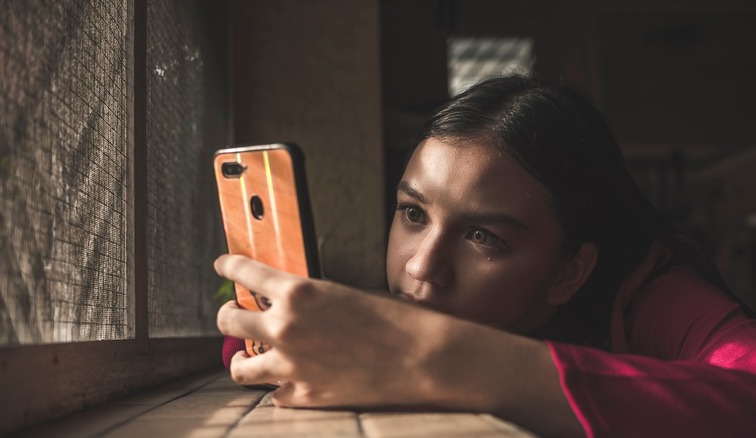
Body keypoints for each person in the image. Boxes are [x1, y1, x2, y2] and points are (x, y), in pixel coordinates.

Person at [215, 75, 756, 437]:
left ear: (569, 272)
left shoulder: (653, 290)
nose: (422, 266)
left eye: (483, 237)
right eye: (413, 214)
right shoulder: (420, 292)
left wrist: (437, 358)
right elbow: (252, 346)